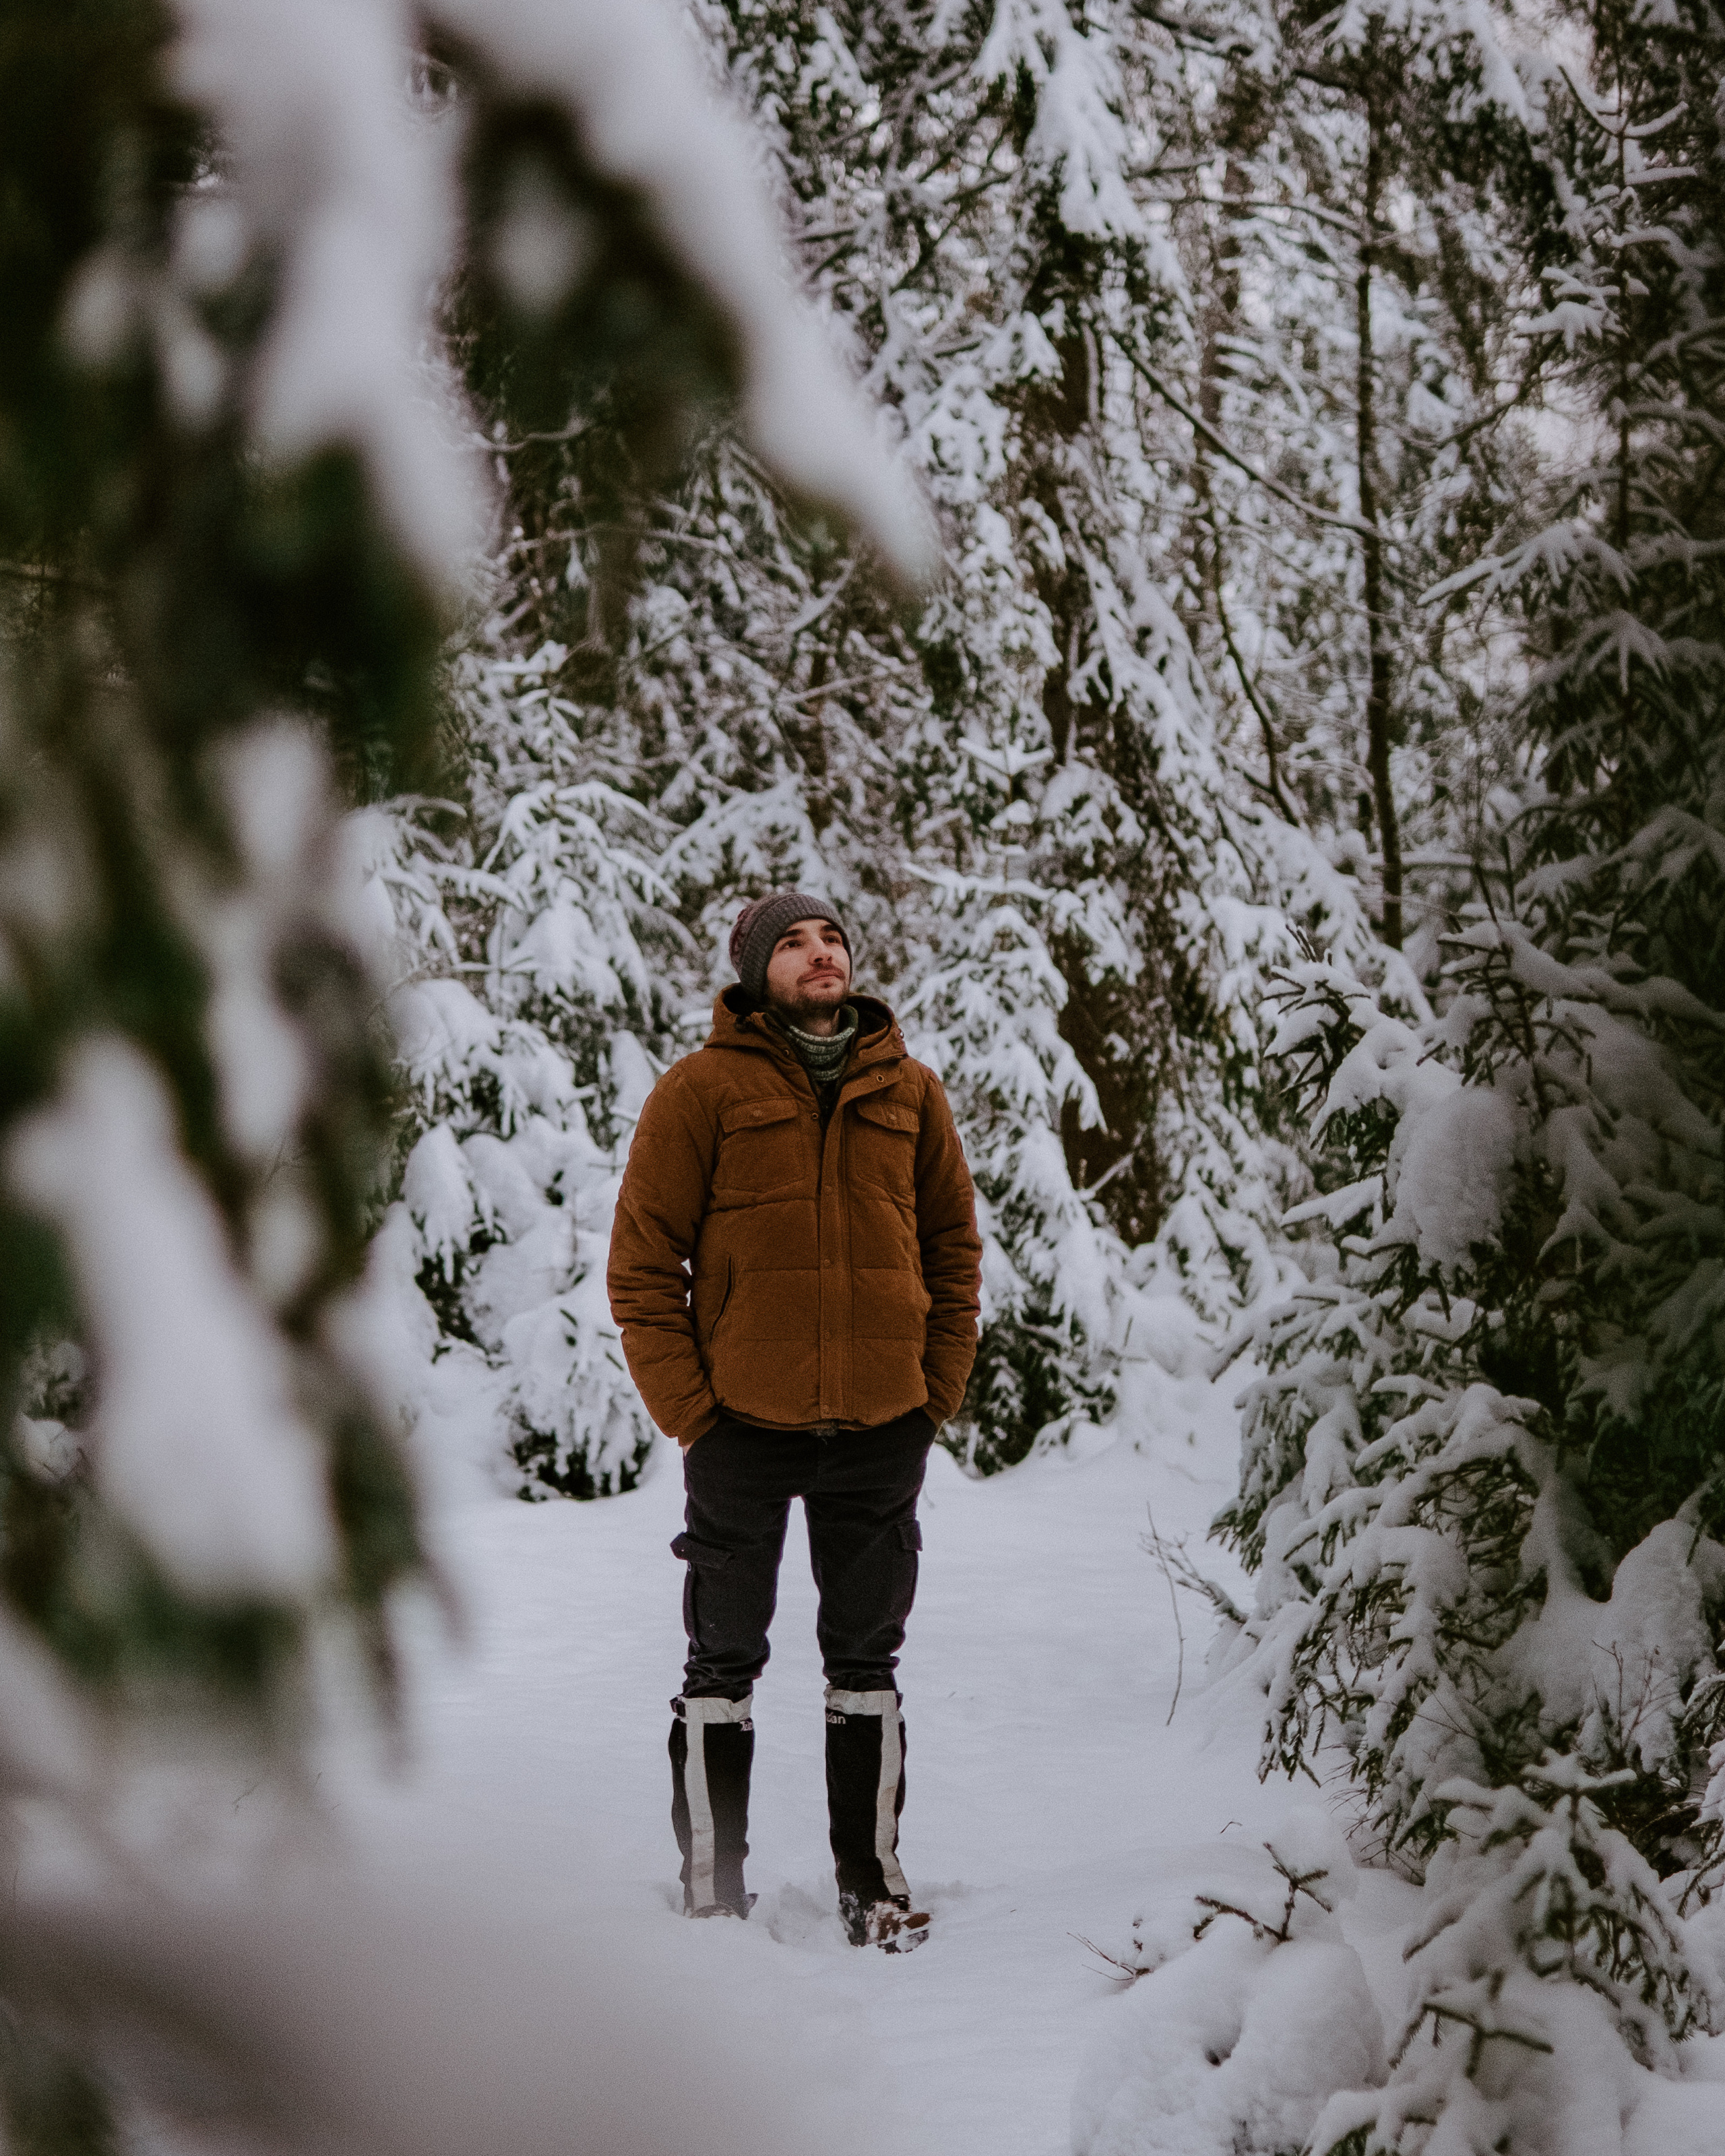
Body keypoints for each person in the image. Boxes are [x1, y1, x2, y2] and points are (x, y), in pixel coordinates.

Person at [607, 893, 982, 1952]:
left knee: (867, 1663)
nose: (822, 954)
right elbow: (643, 1267)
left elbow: (954, 1252)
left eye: (833, 940)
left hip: (881, 1424)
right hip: (743, 1428)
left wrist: (932, 1388)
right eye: (796, 944)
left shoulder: (911, 1093)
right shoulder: (701, 1091)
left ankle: (871, 1886)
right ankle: (713, 1888)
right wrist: (694, 1413)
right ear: (756, 973)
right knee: (721, 1661)